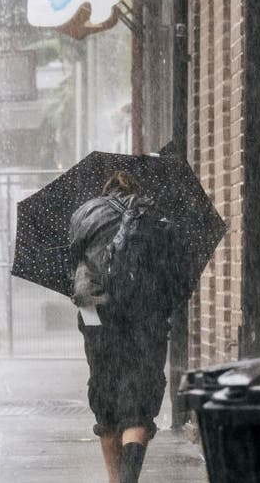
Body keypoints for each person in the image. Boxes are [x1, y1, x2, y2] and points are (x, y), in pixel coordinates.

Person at [68, 170, 182, 483]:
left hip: (98, 316)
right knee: (138, 403)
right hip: (146, 316)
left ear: (106, 190)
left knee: (105, 400)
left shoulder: (86, 213)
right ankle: (130, 479)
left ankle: (114, 480)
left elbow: (73, 263)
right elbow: (175, 277)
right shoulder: (157, 218)